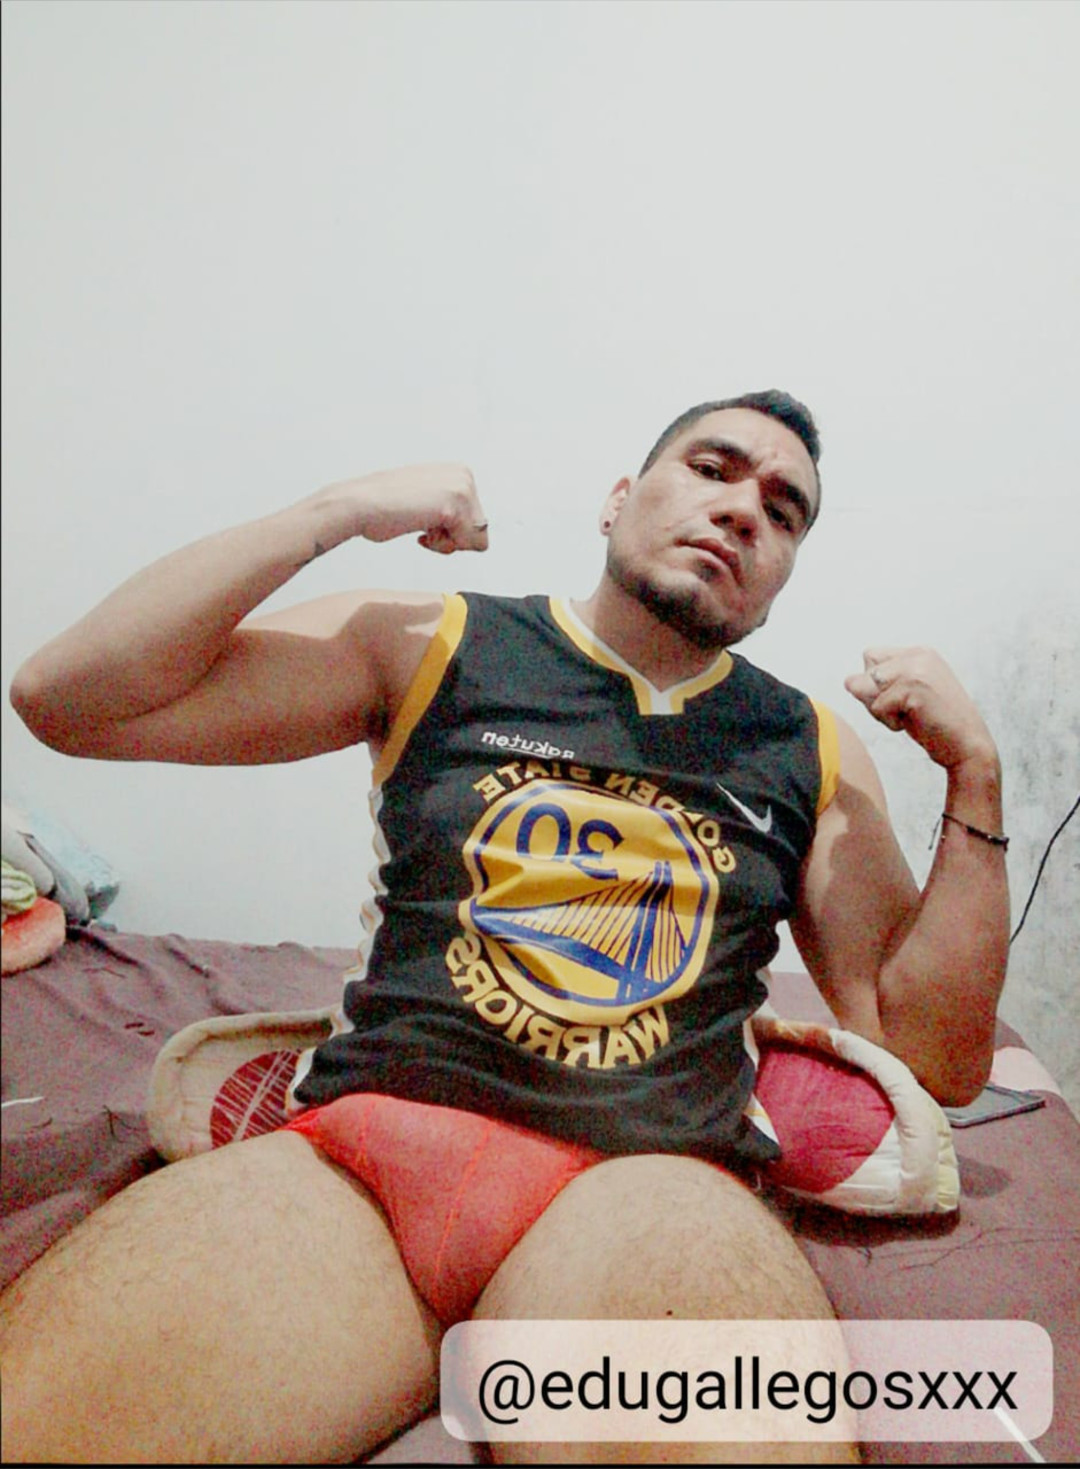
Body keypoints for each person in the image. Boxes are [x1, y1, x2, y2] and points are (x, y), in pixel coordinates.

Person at [1, 390, 1009, 1464]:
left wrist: (977, 773)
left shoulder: (809, 744)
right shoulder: (435, 642)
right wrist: (333, 512)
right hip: (365, 1162)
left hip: (648, 1188)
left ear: (783, 572)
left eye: (784, 509)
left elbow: (935, 1059)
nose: (742, 510)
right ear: (618, 499)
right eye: (712, 468)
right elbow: (70, 699)